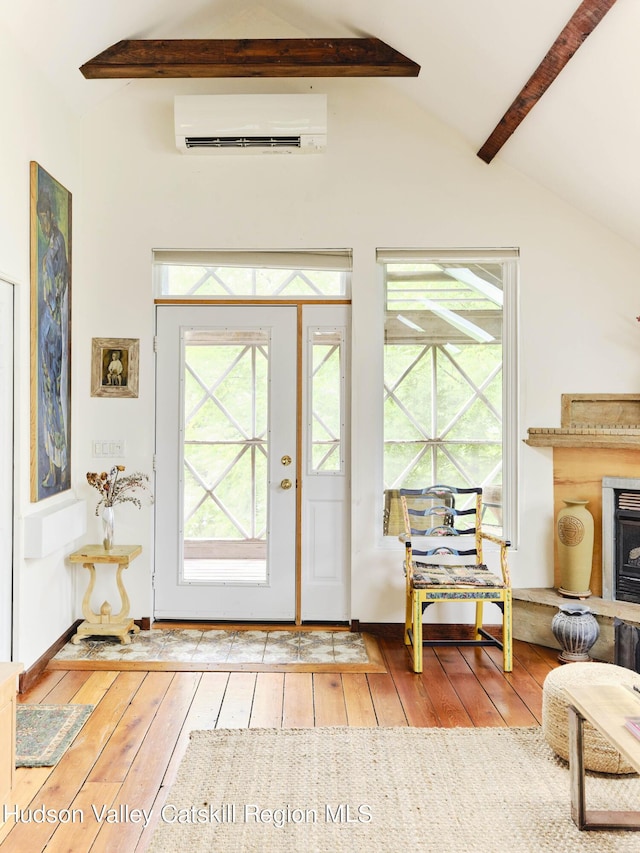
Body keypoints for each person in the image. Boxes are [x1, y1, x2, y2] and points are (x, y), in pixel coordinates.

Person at [36, 186, 69, 491]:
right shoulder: (53, 245)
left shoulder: (57, 246)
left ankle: (57, 465)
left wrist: (53, 310)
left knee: (52, 398)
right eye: (40, 216)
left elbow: (56, 293)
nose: (43, 222)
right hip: (51, 326)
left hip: (53, 328)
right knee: (49, 397)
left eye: (45, 215)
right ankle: (56, 466)